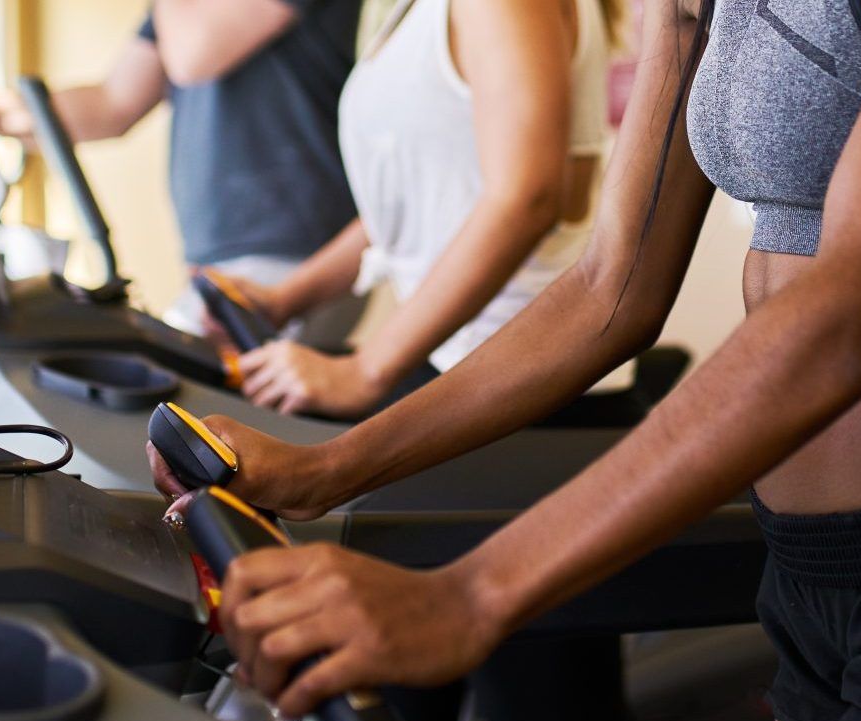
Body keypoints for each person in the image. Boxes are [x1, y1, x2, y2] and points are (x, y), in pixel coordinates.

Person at [156, 0, 861, 721]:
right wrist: (330, 465)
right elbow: (608, 288)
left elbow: (850, 318)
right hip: (810, 572)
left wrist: (470, 594)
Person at [211, 0, 618, 419]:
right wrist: (285, 300)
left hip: (513, 372)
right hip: (467, 359)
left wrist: (366, 370)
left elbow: (525, 199)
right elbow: (424, 198)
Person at [0, 0, 368, 348]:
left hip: (298, 261)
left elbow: (194, 55)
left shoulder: (184, 17)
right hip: (230, 263)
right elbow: (110, 104)